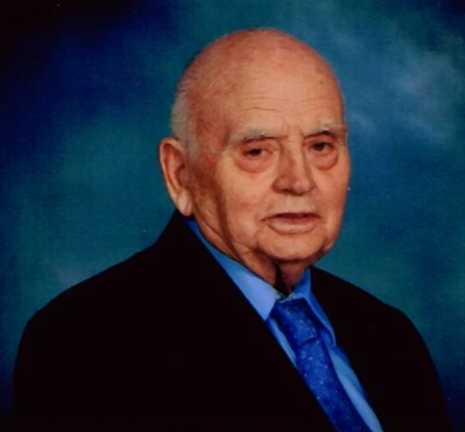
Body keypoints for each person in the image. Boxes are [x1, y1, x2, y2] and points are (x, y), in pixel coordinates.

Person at [13, 28, 450, 430]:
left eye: (321, 146)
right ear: (181, 175)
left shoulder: (389, 335)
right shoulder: (84, 344)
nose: (299, 180)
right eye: (257, 151)